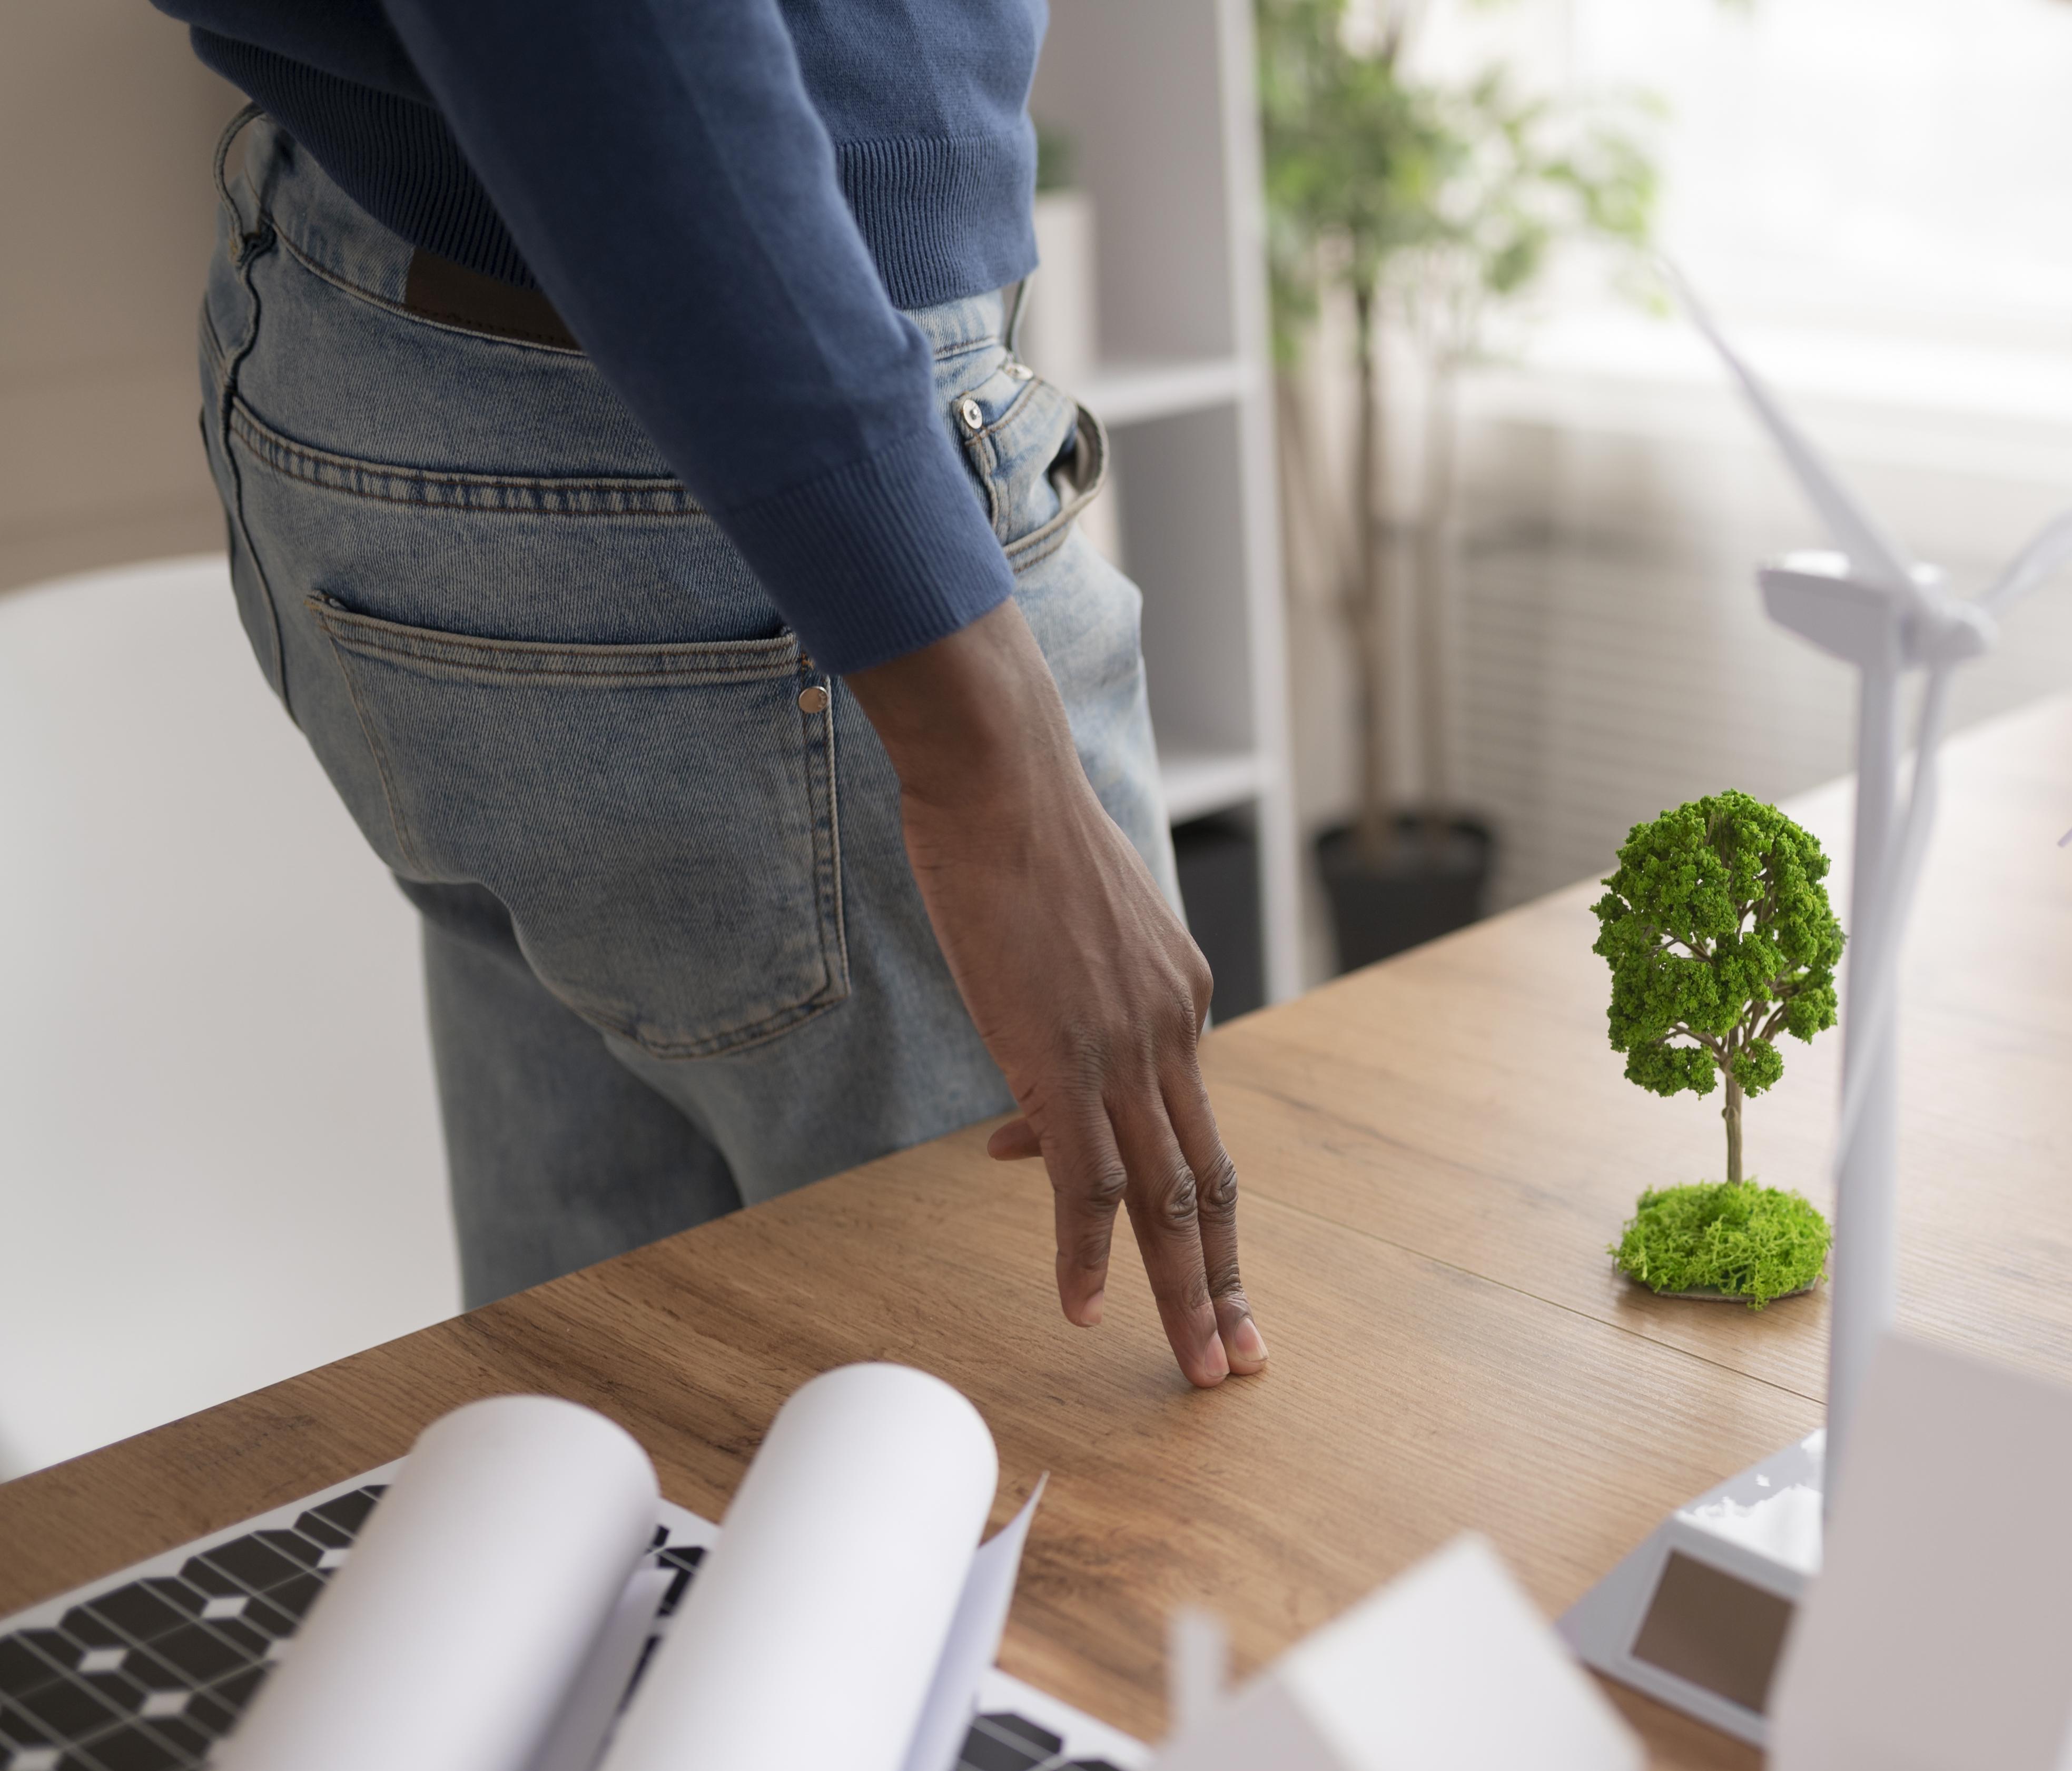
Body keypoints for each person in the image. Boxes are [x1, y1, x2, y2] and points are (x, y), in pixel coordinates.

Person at [155, 0, 1265, 1388]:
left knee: (612, 1423)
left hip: (381, 307)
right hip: (724, 441)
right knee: (1042, 1467)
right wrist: (991, 755)